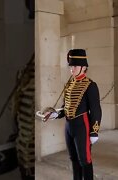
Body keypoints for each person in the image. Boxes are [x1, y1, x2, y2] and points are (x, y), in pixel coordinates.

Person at [43, 49, 102, 180]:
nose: (72, 69)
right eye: (71, 66)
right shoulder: (69, 84)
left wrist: (94, 132)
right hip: (69, 127)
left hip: (82, 126)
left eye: (74, 66)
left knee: (85, 160)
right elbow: (66, 108)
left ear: (84, 67)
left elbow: (96, 110)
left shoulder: (91, 85)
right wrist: (55, 114)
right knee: (74, 159)